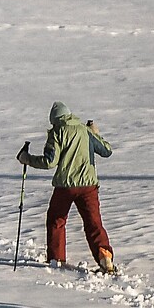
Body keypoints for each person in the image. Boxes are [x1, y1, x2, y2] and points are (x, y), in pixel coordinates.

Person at [17, 102, 117, 274]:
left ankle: (57, 259)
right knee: (93, 223)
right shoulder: (83, 130)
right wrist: (95, 133)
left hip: (66, 186)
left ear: (54, 120)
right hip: (89, 186)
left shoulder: (57, 132)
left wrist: (27, 159)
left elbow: (50, 162)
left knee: (56, 220)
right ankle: (105, 256)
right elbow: (107, 150)